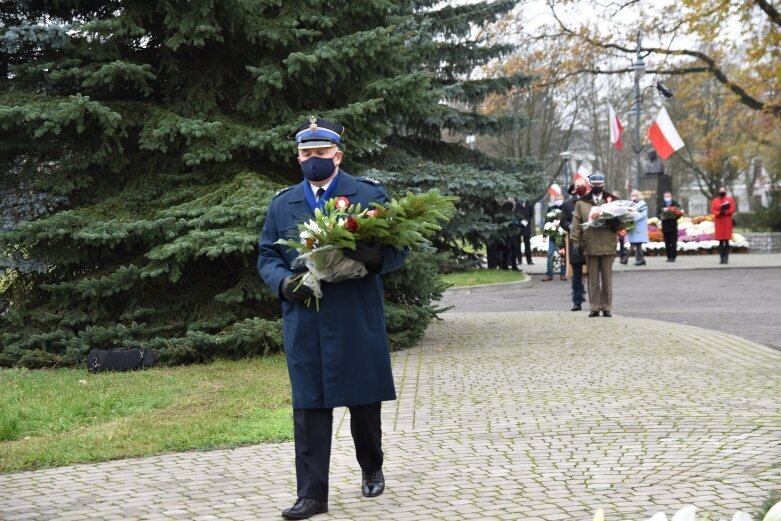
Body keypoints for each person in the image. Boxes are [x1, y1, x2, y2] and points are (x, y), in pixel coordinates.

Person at [258, 116, 408, 520]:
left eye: (320, 153)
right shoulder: (283, 203)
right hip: (305, 316)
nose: (313, 159)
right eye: (306, 153)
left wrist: (377, 258)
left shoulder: (367, 193)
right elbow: (267, 255)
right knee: (308, 407)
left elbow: (400, 247)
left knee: (363, 402)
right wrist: (284, 284)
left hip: (354, 313)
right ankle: (312, 495)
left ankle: (371, 464)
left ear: (337, 155)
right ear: (298, 158)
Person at [570, 173, 623, 317]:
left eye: (599, 185)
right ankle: (594, 307)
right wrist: (575, 242)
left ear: (603, 185)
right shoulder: (582, 203)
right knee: (593, 279)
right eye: (594, 185)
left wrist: (615, 222)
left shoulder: (612, 201)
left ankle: (606, 307)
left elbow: (623, 223)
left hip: (607, 244)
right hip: (590, 244)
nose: (597, 187)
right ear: (590, 186)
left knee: (606, 279)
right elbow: (576, 224)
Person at [561, 180, 588, 311]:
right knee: (576, 274)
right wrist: (570, 226)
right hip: (575, 243)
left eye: (583, 186)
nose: (580, 188)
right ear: (574, 189)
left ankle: (595, 302)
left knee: (592, 273)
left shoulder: (591, 202)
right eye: (578, 186)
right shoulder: (567, 204)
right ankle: (577, 301)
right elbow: (563, 221)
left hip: (590, 242)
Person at [711, 186, 736, 264]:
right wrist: (719, 213)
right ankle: (722, 258)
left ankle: (726, 258)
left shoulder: (730, 200)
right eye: (720, 190)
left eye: (723, 190)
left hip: (727, 222)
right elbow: (713, 210)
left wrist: (725, 212)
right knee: (721, 242)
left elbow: (732, 209)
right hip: (719, 222)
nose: (722, 192)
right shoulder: (715, 200)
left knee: (727, 241)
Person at [658, 191, 682, 262]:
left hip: (673, 225)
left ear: (671, 197)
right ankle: (669, 257)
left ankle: (673, 257)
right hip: (665, 226)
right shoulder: (661, 205)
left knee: (674, 242)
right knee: (667, 242)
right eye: (666, 196)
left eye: (668, 196)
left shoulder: (675, 203)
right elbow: (658, 214)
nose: (667, 198)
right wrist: (661, 217)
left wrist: (675, 216)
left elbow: (679, 212)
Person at [627, 190, 648, 266]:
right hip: (632, 226)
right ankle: (641, 260)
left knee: (636, 243)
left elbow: (643, 215)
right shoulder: (632, 204)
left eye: (635, 195)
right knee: (637, 244)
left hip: (639, 227)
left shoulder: (642, 204)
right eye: (632, 195)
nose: (633, 197)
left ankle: (626, 259)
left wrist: (633, 216)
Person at [514, 198, 535, 265]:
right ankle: (519, 260)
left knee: (527, 244)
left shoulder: (529, 204)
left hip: (526, 226)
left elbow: (531, 215)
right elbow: (515, 214)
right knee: (517, 244)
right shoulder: (516, 204)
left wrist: (526, 221)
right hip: (518, 227)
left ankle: (529, 260)